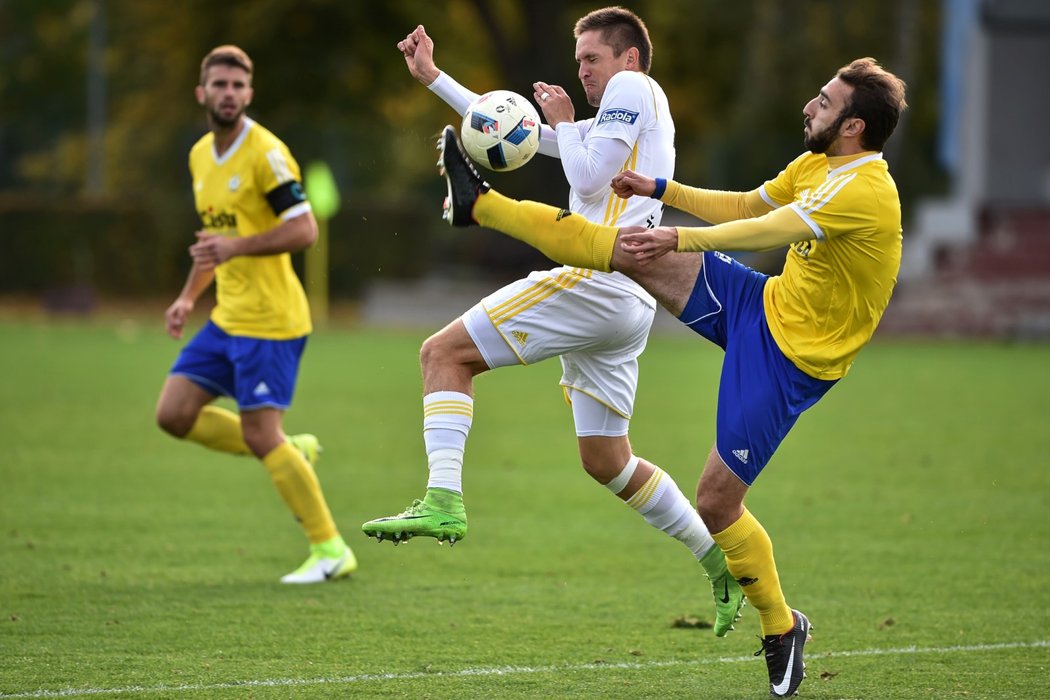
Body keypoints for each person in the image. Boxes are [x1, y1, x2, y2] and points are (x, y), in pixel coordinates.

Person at [434, 57, 907, 697]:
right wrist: (657, 189)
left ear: (852, 126)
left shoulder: (864, 191)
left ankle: (779, 624)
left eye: (822, 103)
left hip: (792, 360)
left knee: (716, 501)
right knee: (627, 252)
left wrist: (679, 239)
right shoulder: (818, 164)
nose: (809, 107)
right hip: (759, 305)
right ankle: (483, 208)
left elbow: (767, 229)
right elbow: (747, 202)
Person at [361, 9, 745, 636]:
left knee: (442, 354)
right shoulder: (635, 107)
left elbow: (585, 172)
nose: (583, 73)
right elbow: (527, 135)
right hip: (630, 301)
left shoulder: (632, 89)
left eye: (592, 59)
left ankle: (443, 499)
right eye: (579, 62)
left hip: (598, 278)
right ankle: (718, 560)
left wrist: (566, 124)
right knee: (607, 459)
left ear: (628, 58)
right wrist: (435, 78)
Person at [155, 45, 356, 585]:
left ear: (249, 94)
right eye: (220, 85)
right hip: (228, 317)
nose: (229, 94)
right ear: (203, 93)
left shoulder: (265, 153)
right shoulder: (201, 155)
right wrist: (187, 296)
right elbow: (213, 244)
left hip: (272, 320)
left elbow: (304, 229)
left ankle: (330, 548)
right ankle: (290, 453)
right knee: (173, 414)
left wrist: (233, 249)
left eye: (239, 86)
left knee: (261, 432)